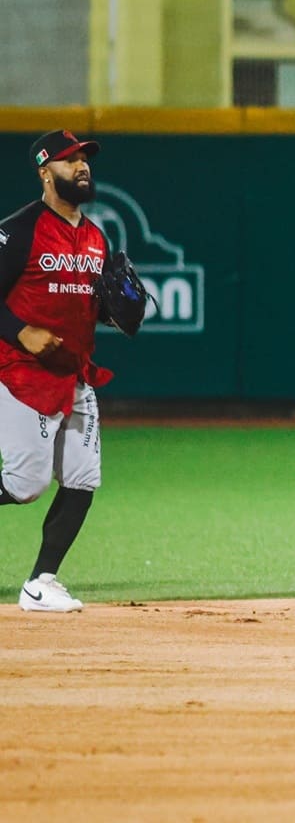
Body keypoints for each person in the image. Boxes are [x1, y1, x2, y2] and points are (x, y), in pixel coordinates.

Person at [0, 130, 146, 612]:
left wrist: (113, 311)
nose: (82, 166)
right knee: (25, 485)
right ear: (45, 172)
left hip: (75, 375)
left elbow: (88, 305)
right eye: (69, 160)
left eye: (85, 159)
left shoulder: (95, 238)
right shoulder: (19, 230)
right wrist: (20, 331)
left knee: (83, 477)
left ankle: (41, 582)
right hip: (21, 373)